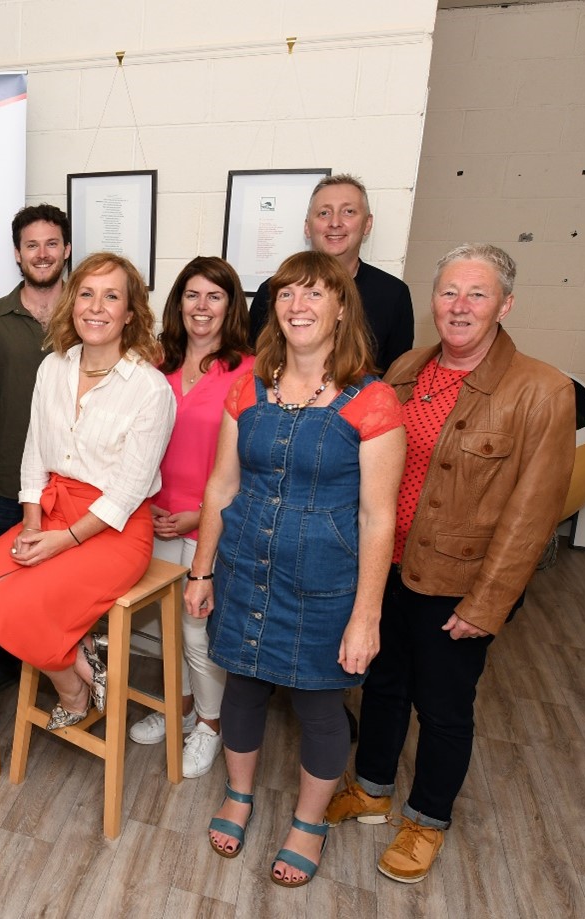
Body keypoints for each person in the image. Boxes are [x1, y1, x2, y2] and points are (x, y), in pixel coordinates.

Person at [326, 244, 574, 884]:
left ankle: (427, 819)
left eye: (477, 294)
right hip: (389, 567)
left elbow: (532, 514)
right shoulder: (407, 366)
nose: (459, 307)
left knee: (442, 708)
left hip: (458, 584)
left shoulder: (541, 391)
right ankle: (373, 789)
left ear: (506, 305)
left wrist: (487, 604)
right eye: (448, 293)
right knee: (382, 687)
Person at [189, 250, 405, 888]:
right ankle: (239, 793)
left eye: (314, 294)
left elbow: (378, 519)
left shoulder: (374, 400)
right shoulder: (248, 384)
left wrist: (366, 616)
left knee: (318, 706)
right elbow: (221, 487)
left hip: (324, 584)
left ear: (342, 307)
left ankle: (308, 823)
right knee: (246, 689)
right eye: (286, 294)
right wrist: (201, 571)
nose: (298, 306)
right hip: (243, 566)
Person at [0, 252, 176, 731]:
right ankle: (85, 671)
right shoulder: (53, 367)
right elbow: (33, 452)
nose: (96, 306)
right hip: (48, 511)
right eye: (86, 294)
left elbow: (128, 493)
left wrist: (62, 542)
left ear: (130, 313)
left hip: (113, 529)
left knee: (18, 606)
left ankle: (72, 684)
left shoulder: (150, 389)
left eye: (111, 296)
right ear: (71, 304)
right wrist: (30, 527)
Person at [126, 256, 255, 779]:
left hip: (211, 523)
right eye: (192, 295)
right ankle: (176, 710)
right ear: (178, 302)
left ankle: (209, 724)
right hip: (153, 516)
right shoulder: (156, 362)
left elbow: (253, 460)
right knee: (167, 630)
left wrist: (197, 515)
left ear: (231, 306)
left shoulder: (249, 371)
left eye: (214, 296)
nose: (202, 307)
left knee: (199, 632)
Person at [0, 203, 70, 686]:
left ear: (67, 249)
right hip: (10, 480)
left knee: (63, 592)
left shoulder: (89, 313)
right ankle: (6, 679)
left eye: (52, 243)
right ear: (17, 253)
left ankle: (65, 673)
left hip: (76, 487)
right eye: (32, 244)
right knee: (4, 585)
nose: (43, 253)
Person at [247, 174, 413, 370]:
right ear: (307, 227)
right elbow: (254, 365)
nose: (335, 222)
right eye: (324, 213)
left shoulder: (393, 294)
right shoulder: (271, 291)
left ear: (367, 224)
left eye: (348, 212)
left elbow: (397, 376)